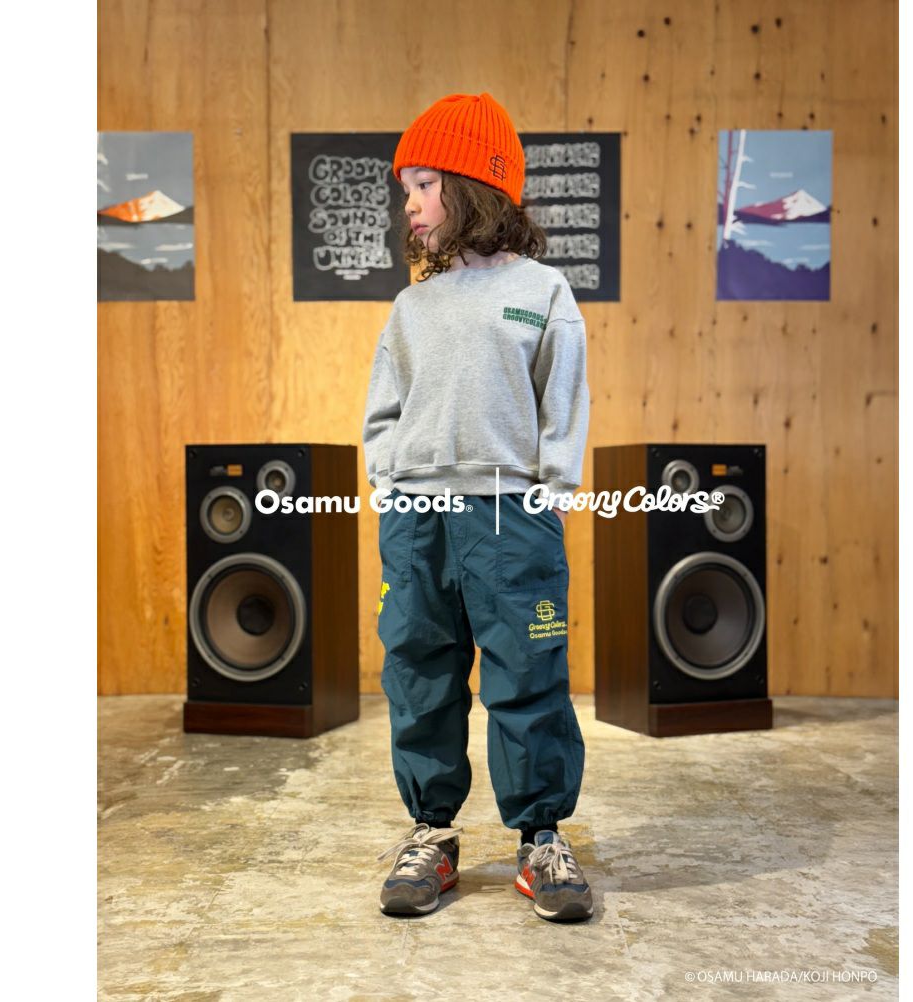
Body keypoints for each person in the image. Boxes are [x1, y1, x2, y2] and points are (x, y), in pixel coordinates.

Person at [362, 92, 592, 922]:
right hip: (417, 519)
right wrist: (390, 485)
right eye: (407, 191)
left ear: (475, 188)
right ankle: (432, 832)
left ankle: (541, 837)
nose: (411, 205)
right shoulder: (412, 307)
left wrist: (549, 490)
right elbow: (384, 410)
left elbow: (562, 398)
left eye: (425, 186)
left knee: (528, 673)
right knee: (419, 671)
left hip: (509, 517)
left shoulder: (542, 292)